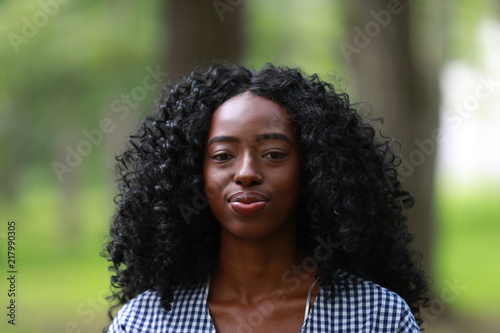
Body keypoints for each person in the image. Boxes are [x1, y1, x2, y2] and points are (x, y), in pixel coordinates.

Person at [103, 63, 428, 332]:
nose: (246, 172)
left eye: (273, 154)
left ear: (310, 173)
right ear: (194, 176)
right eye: (222, 156)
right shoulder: (144, 323)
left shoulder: (377, 318)